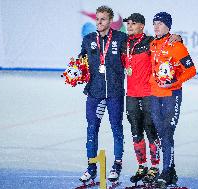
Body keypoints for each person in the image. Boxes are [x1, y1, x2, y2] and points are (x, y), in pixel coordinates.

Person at [121, 13, 182, 185]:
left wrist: (179, 38)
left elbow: (169, 44)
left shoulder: (150, 42)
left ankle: (155, 167)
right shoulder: (123, 43)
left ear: (141, 26)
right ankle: (142, 166)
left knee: (151, 131)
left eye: (133, 24)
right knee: (135, 130)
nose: (129, 26)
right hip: (131, 94)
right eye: (128, 24)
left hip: (149, 94)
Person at [78, 5, 127, 183]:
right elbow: (80, 61)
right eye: (97, 19)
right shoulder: (88, 39)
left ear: (110, 21)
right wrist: (75, 70)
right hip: (94, 93)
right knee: (92, 129)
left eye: (103, 19)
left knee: (116, 129)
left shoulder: (121, 38)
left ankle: (117, 165)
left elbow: (140, 46)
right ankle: (91, 167)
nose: (99, 22)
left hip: (114, 93)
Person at [149, 12, 196, 188]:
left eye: (160, 24)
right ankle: (171, 171)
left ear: (168, 26)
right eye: (154, 23)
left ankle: (166, 172)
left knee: (167, 133)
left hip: (171, 96)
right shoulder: (152, 44)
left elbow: (191, 70)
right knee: (161, 134)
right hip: (154, 95)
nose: (156, 27)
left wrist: (176, 82)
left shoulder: (176, 46)